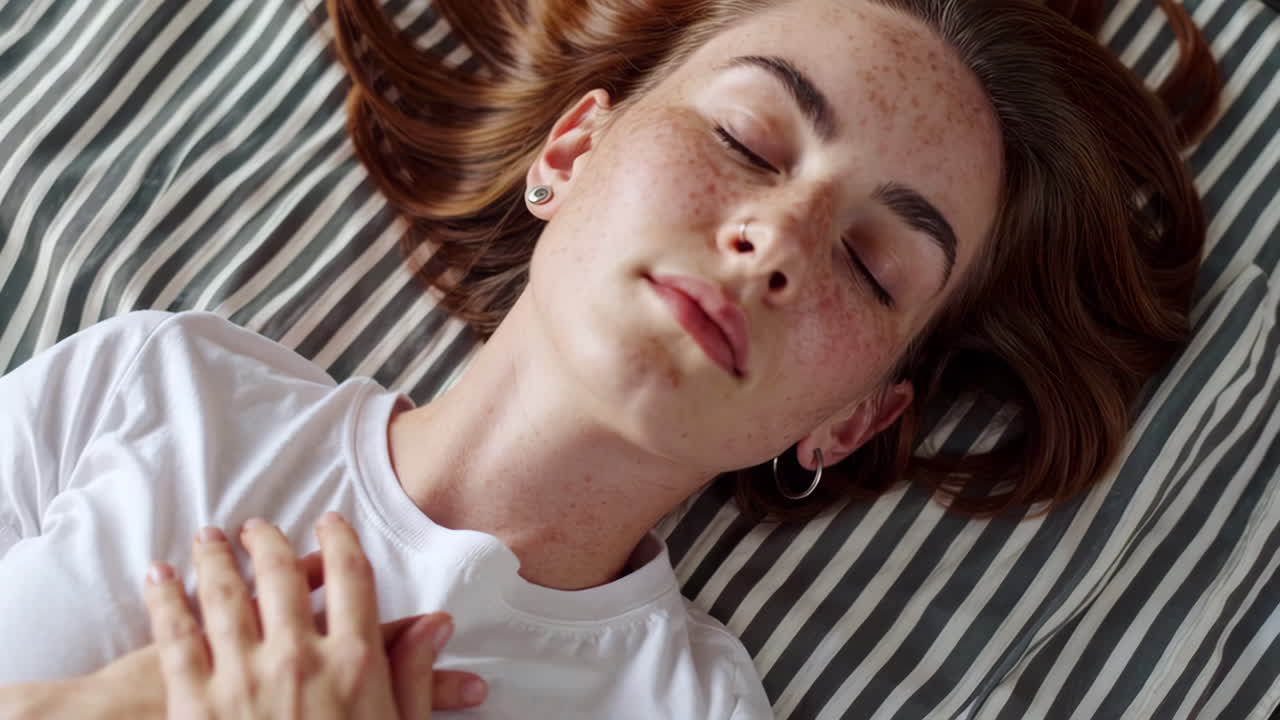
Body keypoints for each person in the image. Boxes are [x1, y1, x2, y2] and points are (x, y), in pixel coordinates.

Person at [0, 0, 1220, 715]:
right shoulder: (159, 384)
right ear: (571, 153)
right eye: (748, 136)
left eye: (871, 264)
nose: (777, 240)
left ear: (849, 418)